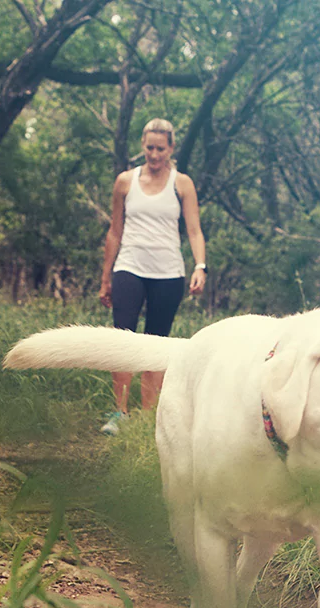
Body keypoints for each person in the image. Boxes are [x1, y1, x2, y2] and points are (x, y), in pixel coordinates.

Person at [98, 118, 207, 435]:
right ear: (142, 146)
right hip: (129, 267)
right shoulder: (125, 182)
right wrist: (106, 278)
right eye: (150, 148)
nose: (155, 155)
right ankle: (118, 414)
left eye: (161, 149)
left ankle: (148, 418)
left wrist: (200, 265)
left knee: (156, 344)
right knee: (123, 340)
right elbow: (114, 232)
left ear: (171, 148)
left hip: (168, 273)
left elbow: (194, 230)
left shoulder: (182, 184)